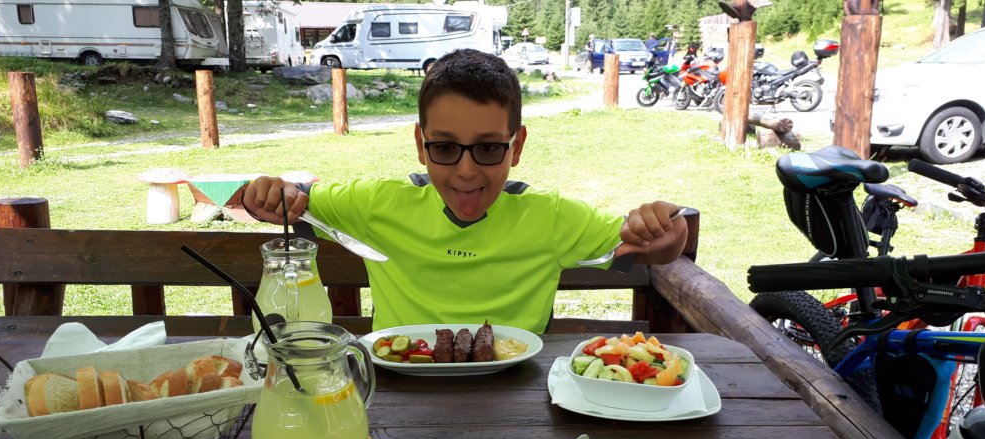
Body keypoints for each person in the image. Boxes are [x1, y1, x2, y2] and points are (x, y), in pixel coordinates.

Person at [241, 49, 687, 334]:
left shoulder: (550, 217)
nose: (466, 171)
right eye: (445, 148)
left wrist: (669, 231)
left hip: (515, 397)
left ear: (517, 146)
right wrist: (265, 195)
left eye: (489, 148)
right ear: (421, 146)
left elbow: (654, 248)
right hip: (401, 394)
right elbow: (282, 199)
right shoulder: (378, 205)